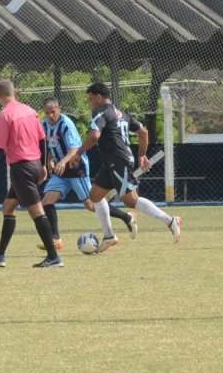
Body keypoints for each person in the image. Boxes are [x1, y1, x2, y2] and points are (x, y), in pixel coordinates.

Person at [55, 82, 181, 253]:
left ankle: (170, 221)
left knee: (131, 200)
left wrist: (79, 152)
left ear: (99, 97)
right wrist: (141, 155)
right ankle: (109, 236)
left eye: (91, 99)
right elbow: (143, 132)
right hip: (113, 161)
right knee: (95, 196)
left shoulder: (101, 112)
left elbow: (94, 136)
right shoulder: (121, 113)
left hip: (118, 161)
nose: (90, 103)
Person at [29, 97, 136, 256]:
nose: (51, 115)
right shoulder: (44, 125)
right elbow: (48, 146)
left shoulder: (66, 125)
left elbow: (75, 149)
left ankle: (126, 216)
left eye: (53, 112)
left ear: (59, 108)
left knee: (92, 205)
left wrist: (62, 162)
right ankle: (55, 239)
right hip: (60, 172)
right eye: (47, 113)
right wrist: (50, 160)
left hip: (76, 169)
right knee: (46, 202)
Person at [0, 80, 63, 268]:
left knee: (36, 211)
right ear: (16, 92)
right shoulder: (30, 111)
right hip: (34, 165)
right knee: (8, 207)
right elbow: (42, 139)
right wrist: (44, 165)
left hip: (21, 169)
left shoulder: (4, 116)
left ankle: (53, 257)